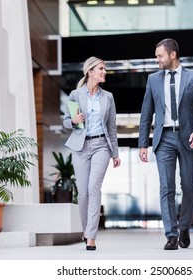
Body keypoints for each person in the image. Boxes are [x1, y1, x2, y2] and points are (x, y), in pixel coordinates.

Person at [138, 38, 193, 250]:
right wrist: (143, 143)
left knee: (189, 186)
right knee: (166, 187)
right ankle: (171, 234)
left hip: (189, 137)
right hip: (164, 138)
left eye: (159, 55)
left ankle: (184, 226)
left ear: (172, 55)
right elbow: (146, 113)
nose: (156, 59)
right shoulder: (153, 79)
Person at [63, 56, 121, 251]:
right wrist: (73, 120)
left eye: (105, 69)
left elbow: (111, 127)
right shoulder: (75, 95)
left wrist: (115, 153)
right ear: (90, 71)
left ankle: (91, 236)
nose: (104, 72)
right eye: (101, 69)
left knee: (94, 188)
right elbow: (65, 122)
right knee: (83, 194)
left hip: (101, 146)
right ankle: (86, 229)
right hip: (80, 147)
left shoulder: (108, 97)